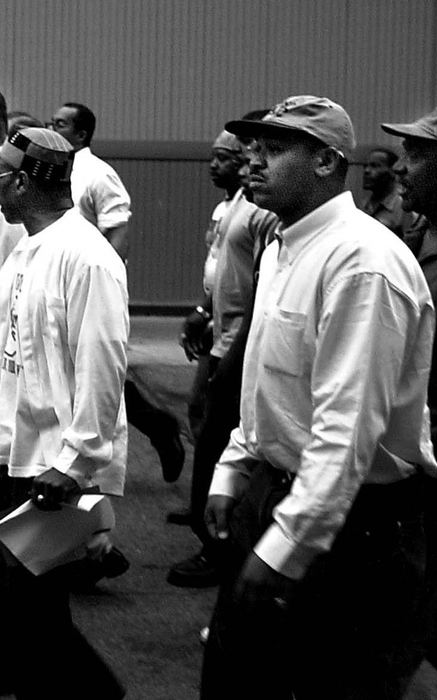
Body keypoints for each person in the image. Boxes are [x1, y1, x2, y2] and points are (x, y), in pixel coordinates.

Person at [200, 95, 437, 699]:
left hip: (356, 529)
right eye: (254, 147)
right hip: (285, 494)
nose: (254, 160)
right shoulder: (284, 242)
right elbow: (271, 381)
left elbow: (346, 428)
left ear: (328, 162)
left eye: (275, 150)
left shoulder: (363, 262)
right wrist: (236, 468)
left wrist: (289, 544)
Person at [0, 127, 128, 700]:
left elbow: (102, 365)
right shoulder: (30, 247)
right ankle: (16, 672)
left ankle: (84, 689)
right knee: (0, 576)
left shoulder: (87, 258)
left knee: (23, 590)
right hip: (16, 450)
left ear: (25, 182)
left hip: (54, 461)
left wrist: (76, 464)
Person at [50, 101, 185, 483]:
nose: (52, 128)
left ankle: (156, 428)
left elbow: (117, 233)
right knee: (76, 373)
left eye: (60, 124)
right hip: (58, 287)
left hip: (90, 288)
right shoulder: (54, 169)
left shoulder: (97, 174)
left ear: (82, 134)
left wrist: (98, 285)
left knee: (96, 374)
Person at [168, 126, 278, 588]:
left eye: (229, 157)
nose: (221, 164)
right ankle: (205, 517)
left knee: (220, 436)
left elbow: (259, 285)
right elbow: (222, 270)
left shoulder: (261, 213)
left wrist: (233, 347)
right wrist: (202, 313)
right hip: (222, 334)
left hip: (238, 340)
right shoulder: (233, 203)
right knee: (205, 424)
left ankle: (218, 544)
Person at [381, 105, 437, 690]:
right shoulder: (409, 235)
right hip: (406, 458)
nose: (401, 169)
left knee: (409, 622)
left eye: (417, 156)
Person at [359, 146, 415, 239]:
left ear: (393, 171)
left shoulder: (404, 206)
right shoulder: (364, 204)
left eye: (375, 166)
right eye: (365, 166)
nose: (366, 171)